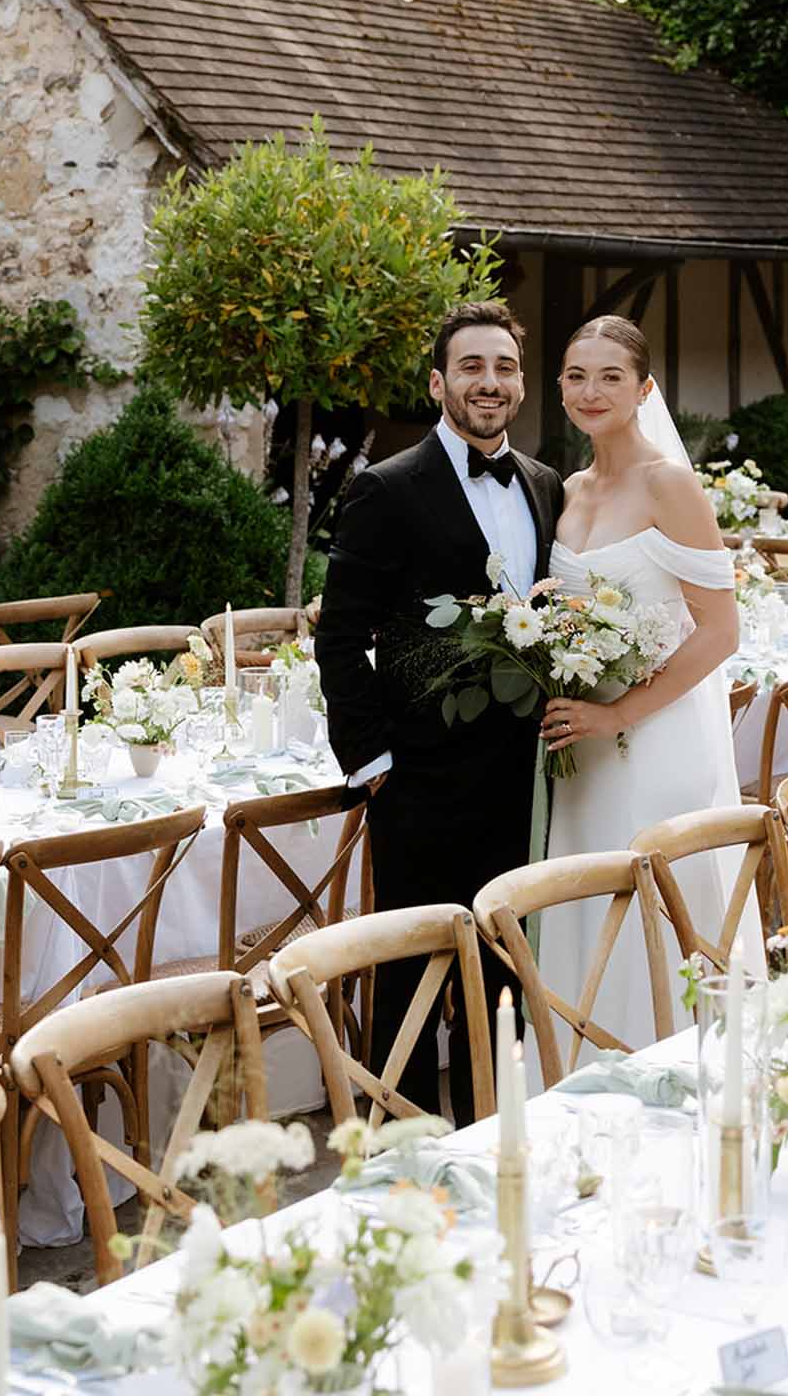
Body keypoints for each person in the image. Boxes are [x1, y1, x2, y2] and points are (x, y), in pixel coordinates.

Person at [314, 300, 563, 1122]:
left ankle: (502, 1130)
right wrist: (374, 763)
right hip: (419, 777)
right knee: (414, 970)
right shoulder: (386, 488)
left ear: (520, 384)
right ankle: (403, 1148)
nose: (488, 383)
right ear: (438, 382)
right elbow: (342, 637)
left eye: (503, 368)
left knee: (506, 961)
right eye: (471, 367)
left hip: (523, 774)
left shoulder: (544, 485)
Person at [537, 314, 760, 1056]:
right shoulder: (567, 489)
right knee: (584, 905)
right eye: (576, 375)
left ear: (643, 390)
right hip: (580, 751)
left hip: (655, 739)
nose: (590, 391)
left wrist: (622, 713)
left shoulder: (669, 485)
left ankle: (668, 1070)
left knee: (650, 916)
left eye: (610, 377)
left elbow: (722, 632)